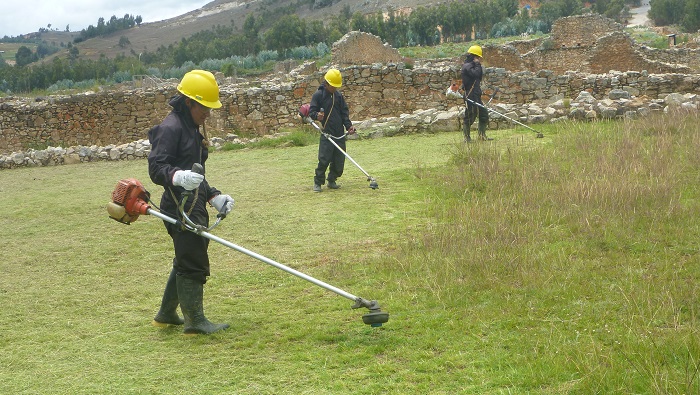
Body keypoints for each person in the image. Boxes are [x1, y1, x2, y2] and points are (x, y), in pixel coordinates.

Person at [148, 69, 234, 335]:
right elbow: (156, 168)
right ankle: (195, 321)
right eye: (204, 107)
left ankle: (166, 313)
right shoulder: (171, 128)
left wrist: (212, 195)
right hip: (178, 204)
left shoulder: (192, 127)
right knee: (193, 258)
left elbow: (196, 175)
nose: (208, 112)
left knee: (186, 256)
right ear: (189, 102)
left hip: (193, 201)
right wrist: (176, 175)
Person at [308, 68, 356, 192]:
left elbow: (344, 113)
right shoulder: (318, 95)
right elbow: (311, 111)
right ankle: (318, 183)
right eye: (333, 86)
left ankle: (332, 180)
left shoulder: (338, 96)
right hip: (326, 133)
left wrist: (349, 126)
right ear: (327, 83)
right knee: (324, 159)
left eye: (336, 86)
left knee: (339, 160)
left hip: (339, 133)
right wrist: (316, 116)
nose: (335, 88)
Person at [461, 45, 491, 142]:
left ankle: (482, 136)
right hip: (470, 95)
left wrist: (477, 65)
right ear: (474, 56)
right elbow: (476, 74)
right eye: (477, 57)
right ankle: (467, 138)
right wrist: (478, 65)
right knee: (470, 116)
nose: (479, 59)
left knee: (484, 114)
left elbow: (479, 76)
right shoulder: (467, 66)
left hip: (476, 94)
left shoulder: (473, 65)